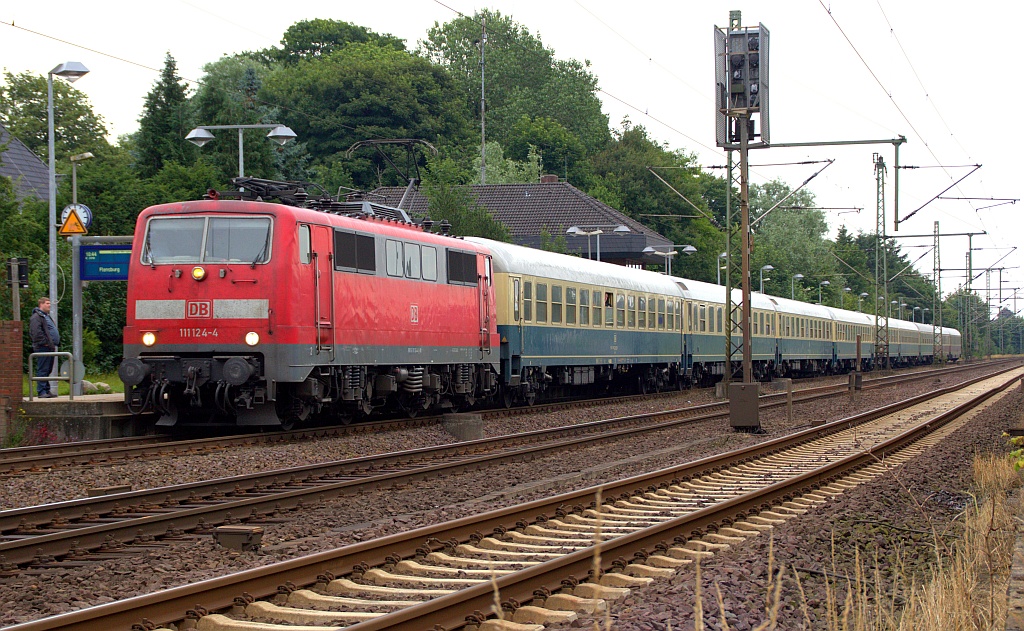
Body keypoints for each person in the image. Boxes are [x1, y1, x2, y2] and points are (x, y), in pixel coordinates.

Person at [29, 297, 60, 398]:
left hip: (50, 347)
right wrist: (45, 343)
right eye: (47, 303)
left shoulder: (46, 316)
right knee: (43, 369)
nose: (49, 305)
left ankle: (46, 389)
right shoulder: (36, 317)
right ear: (41, 304)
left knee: (48, 369)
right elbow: (36, 332)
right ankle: (41, 391)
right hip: (43, 347)